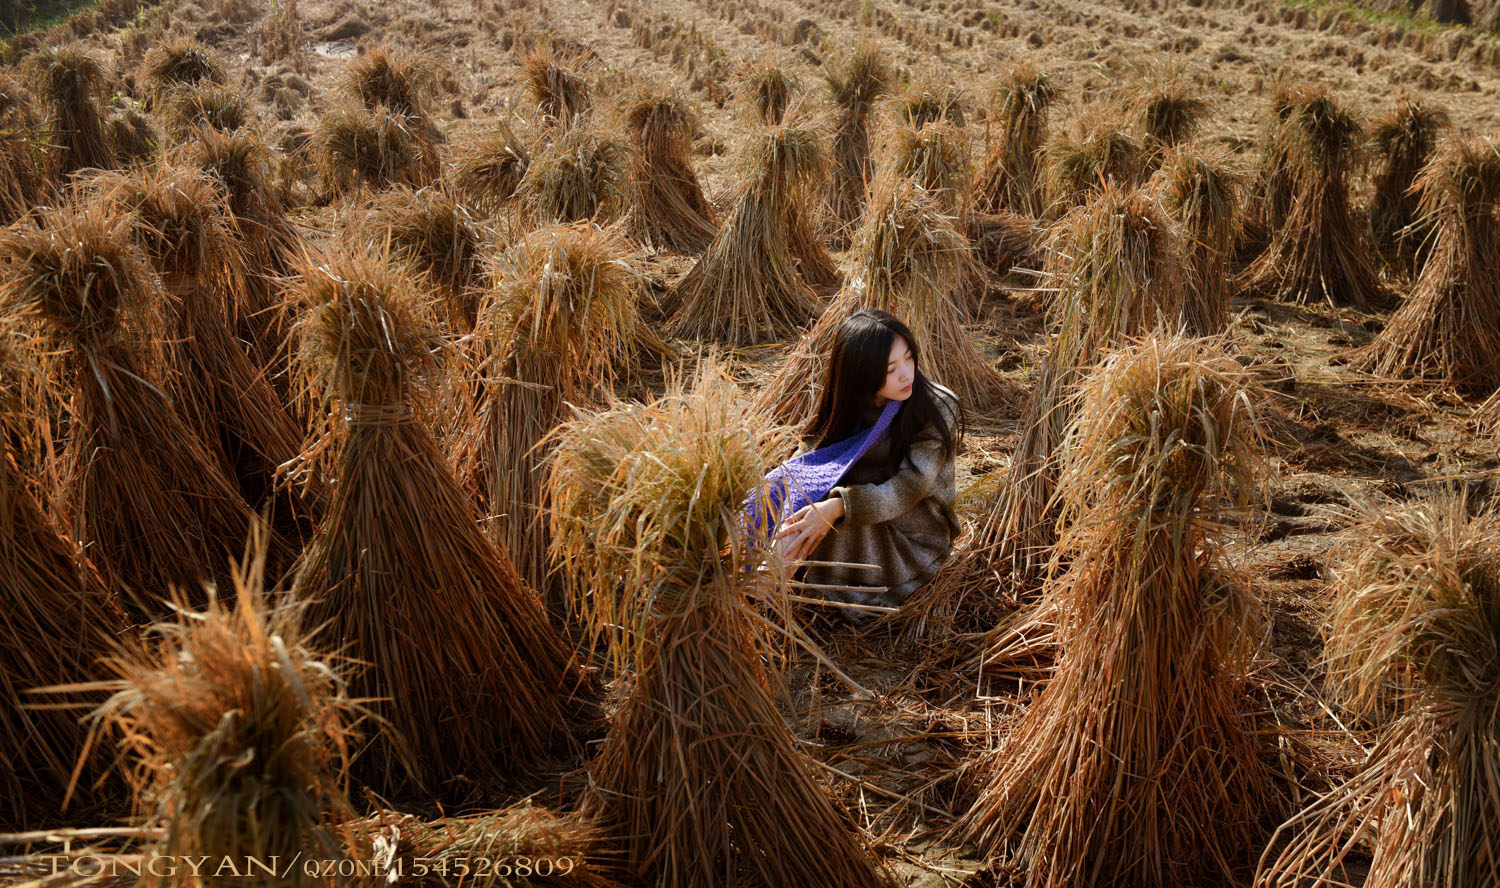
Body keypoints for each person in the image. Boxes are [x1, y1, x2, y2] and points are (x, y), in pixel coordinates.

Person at [771, 308, 964, 615]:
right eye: (890, 369)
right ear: (861, 372)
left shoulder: (938, 407)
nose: (906, 374)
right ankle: (756, 584)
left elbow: (908, 488)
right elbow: (813, 456)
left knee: (822, 531)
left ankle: (765, 588)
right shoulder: (851, 402)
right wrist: (790, 495)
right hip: (859, 510)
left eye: (909, 358)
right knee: (787, 505)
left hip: (912, 536)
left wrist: (838, 507)